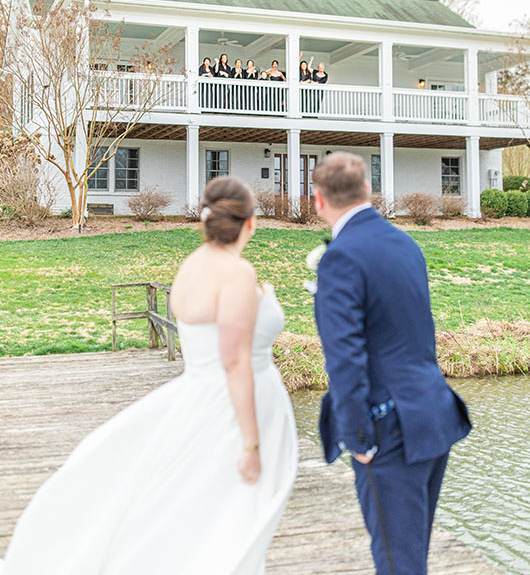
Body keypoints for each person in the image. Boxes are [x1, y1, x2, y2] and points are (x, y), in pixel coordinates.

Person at [0, 177, 297, 575]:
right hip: (231, 411)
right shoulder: (236, 273)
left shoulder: (191, 267)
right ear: (250, 223)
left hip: (198, 400)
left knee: (195, 512)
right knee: (233, 518)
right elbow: (234, 361)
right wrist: (250, 446)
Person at [311, 152, 471, 575]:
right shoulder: (405, 242)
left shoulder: (341, 258)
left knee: (398, 563)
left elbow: (344, 358)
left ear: (317, 200)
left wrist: (358, 439)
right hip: (432, 415)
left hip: (389, 430)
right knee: (411, 553)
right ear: (367, 190)